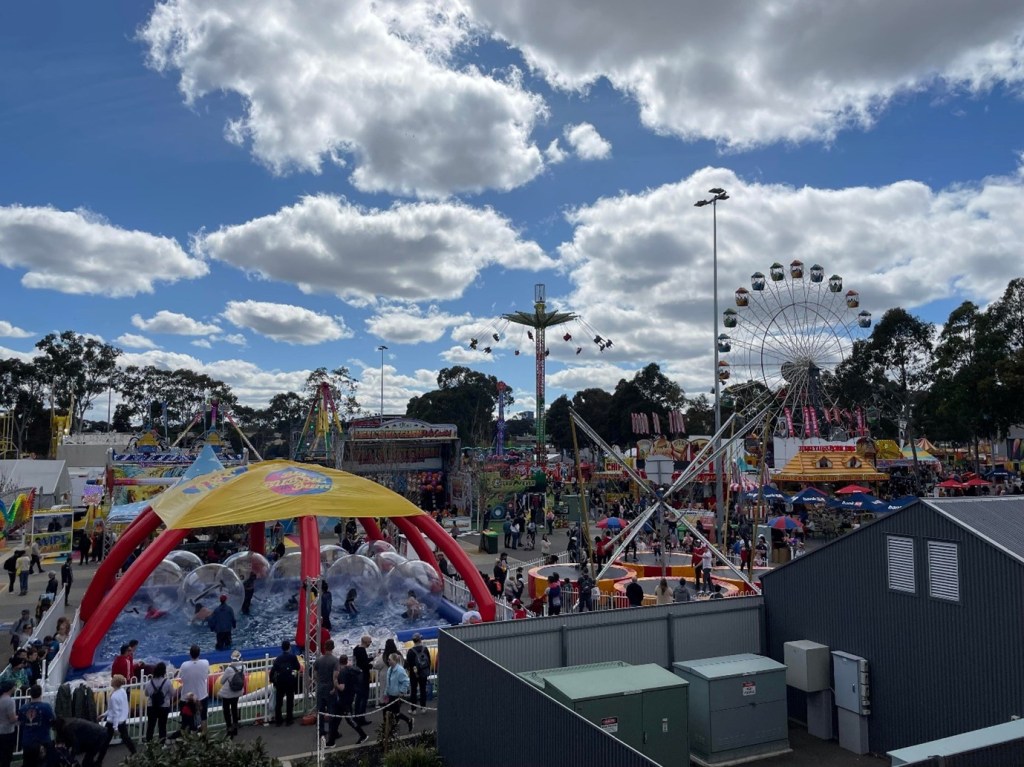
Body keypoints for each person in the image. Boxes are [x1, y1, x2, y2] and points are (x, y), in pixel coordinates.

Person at [19, 684, 54, 767]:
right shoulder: (46, 707)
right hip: (43, 740)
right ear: (41, 694)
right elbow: (52, 720)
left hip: (27, 741)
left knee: (27, 763)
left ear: (30, 694)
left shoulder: (23, 708)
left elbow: (20, 722)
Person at [177, 644, 210, 734]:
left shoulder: (184, 665)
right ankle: (204, 735)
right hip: (202, 695)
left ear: (190, 654)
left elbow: (181, 677)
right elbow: (207, 674)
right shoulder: (205, 662)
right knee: (203, 717)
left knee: (186, 720)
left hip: (186, 697)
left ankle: (187, 737)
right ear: (199, 653)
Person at [336, 655, 368, 744]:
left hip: (344, 698)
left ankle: (363, 735)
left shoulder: (342, 673)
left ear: (339, 662)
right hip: (350, 696)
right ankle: (333, 736)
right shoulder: (351, 671)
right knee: (337, 717)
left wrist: (335, 683)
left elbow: (342, 688)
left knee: (349, 719)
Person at [102, 674, 136, 756]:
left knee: (105, 741)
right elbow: (115, 709)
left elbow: (115, 712)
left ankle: (99, 759)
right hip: (121, 720)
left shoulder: (114, 696)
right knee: (125, 737)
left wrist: (115, 727)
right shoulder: (122, 691)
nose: (111, 680)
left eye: (113, 679)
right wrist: (104, 714)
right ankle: (134, 752)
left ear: (115, 682)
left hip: (113, 721)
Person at [314, 639, 340, 745]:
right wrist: (334, 688)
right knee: (331, 712)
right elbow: (335, 676)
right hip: (330, 688)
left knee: (320, 711)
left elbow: (315, 675)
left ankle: (321, 732)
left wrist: (320, 682)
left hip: (320, 688)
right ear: (333, 648)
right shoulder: (335, 660)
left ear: (324, 647)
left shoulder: (318, 660)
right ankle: (331, 732)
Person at [271, 640, 301, 726]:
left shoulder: (278, 658)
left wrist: (273, 680)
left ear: (282, 648)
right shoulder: (293, 657)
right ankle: (289, 719)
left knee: (279, 701)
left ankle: (278, 720)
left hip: (280, 682)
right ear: (289, 647)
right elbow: (298, 667)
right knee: (290, 701)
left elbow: (273, 670)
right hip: (290, 681)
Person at [383, 653, 414, 733]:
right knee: (387, 710)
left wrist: (401, 691)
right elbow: (388, 683)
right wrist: (385, 694)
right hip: (389, 694)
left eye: (389, 659)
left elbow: (406, 681)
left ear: (394, 660)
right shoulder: (390, 669)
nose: (388, 661)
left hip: (396, 695)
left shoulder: (400, 670)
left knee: (395, 712)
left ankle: (394, 729)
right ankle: (391, 728)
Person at [144, 661, 172, 743]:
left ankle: (149, 742)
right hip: (164, 706)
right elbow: (172, 693)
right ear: (164, 671)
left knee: (151, 725)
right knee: (162, 726)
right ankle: (162, 743)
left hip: (151, 706)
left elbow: (146, 694)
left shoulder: (149, 682)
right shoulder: (167, 682)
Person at [219, 651, 245, 738]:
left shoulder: (229, 669)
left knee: (226, 710)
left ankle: (229, 728)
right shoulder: (243, 667)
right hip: (238, 691)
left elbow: (222, 681)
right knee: (234, 709)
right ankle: (235, 727)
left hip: (228, 693)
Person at [404, 633, 431, 711]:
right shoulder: (425, 649)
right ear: (420, 640)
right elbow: (429, 661)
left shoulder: (410, 651)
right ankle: (423, 708)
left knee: (413, 691)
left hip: (413, 674)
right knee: (423, 690)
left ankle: (413, 709)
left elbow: (407, 664)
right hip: (423, 672)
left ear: (413, 641)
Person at [352, 636, 372, 726]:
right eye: (369, 642)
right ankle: (361, 718)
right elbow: (365, 664)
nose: (370, 643)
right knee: (364, 697)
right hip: (364, 676)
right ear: (366, 642)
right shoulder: (362, 651)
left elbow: (360, 661)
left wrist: (371, 659)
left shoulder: (356, 649)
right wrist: (371, 665)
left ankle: (356, 716)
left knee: (358, 697)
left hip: (357, 676)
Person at [0, 680, 16, 767]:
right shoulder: (10, 701)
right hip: (7, 731)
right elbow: (12, 719)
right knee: (6, 756)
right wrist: (18, 718)